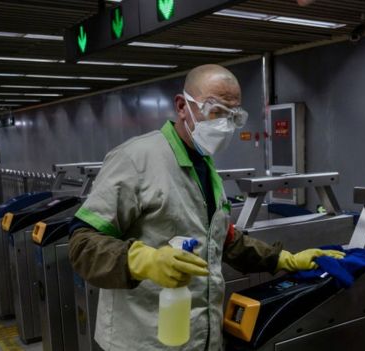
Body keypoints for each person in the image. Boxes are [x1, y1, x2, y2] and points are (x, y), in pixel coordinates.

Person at [68, 64, 343, 351]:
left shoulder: (206, 166)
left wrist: (284, 259)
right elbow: (82, 244)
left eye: (233, 116)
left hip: (199, 339)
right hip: (143, 342)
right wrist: (142, 261)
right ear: (182, 106)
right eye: (215, 112)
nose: (224, 125)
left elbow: (221, 240)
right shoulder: (136, 159)